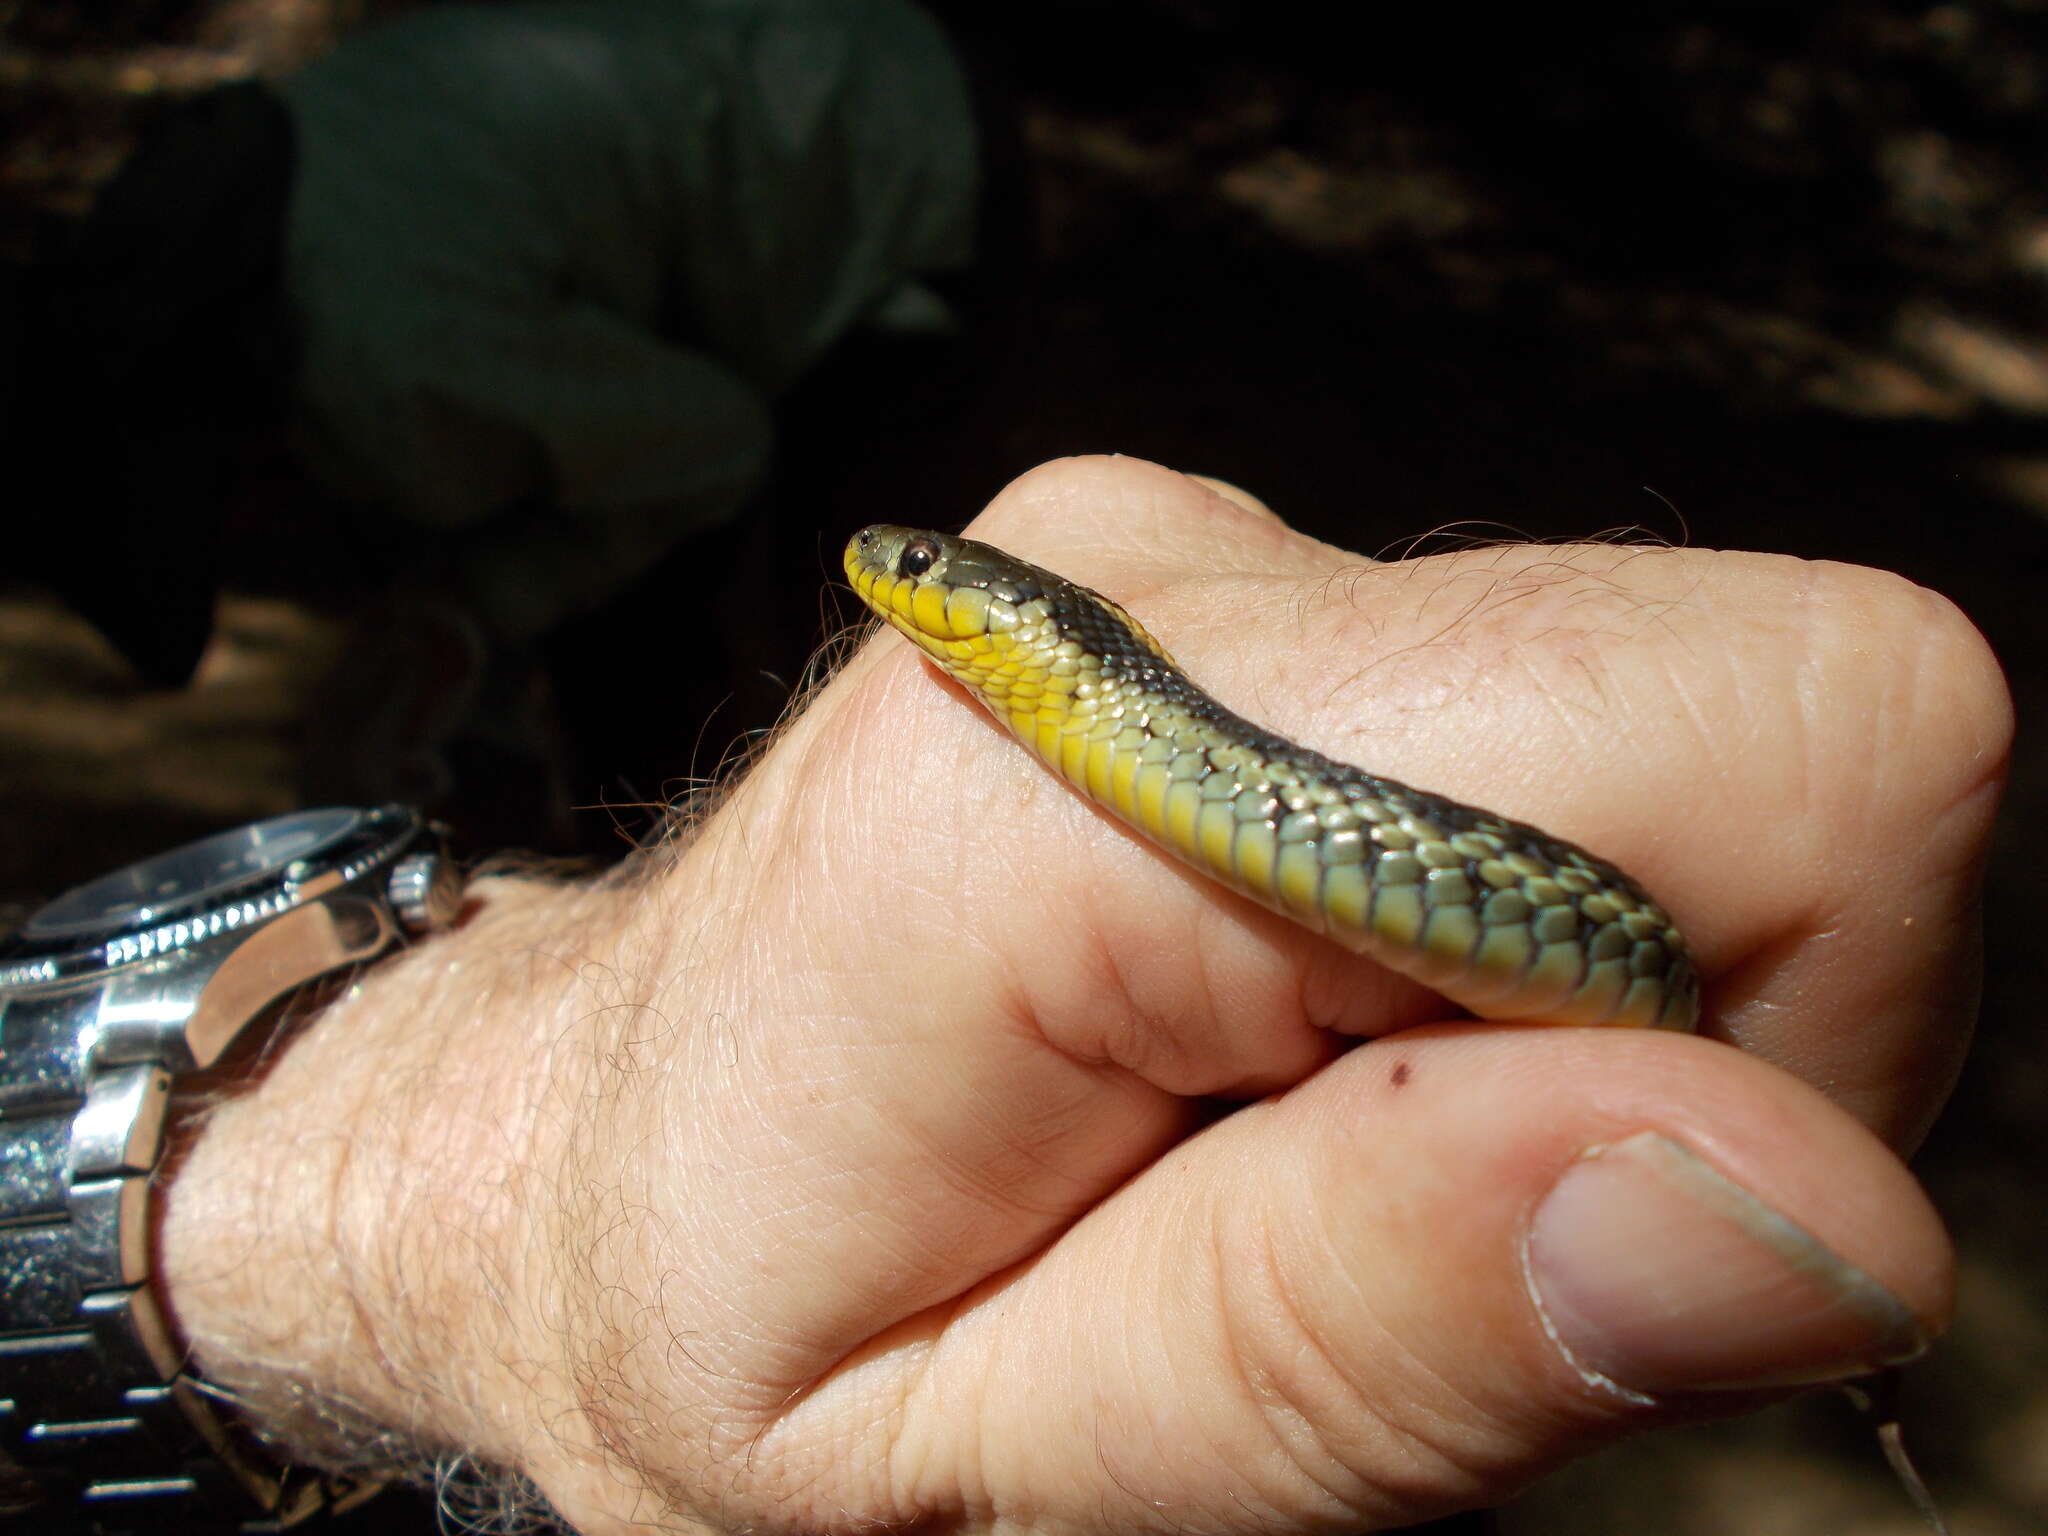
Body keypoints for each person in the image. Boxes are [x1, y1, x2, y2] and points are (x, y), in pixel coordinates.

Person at [158, 456, 2002, 1533]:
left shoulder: (1129, 702)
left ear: (1029, 624)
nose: (894, 586)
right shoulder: (1074, 713)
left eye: (939, 580)